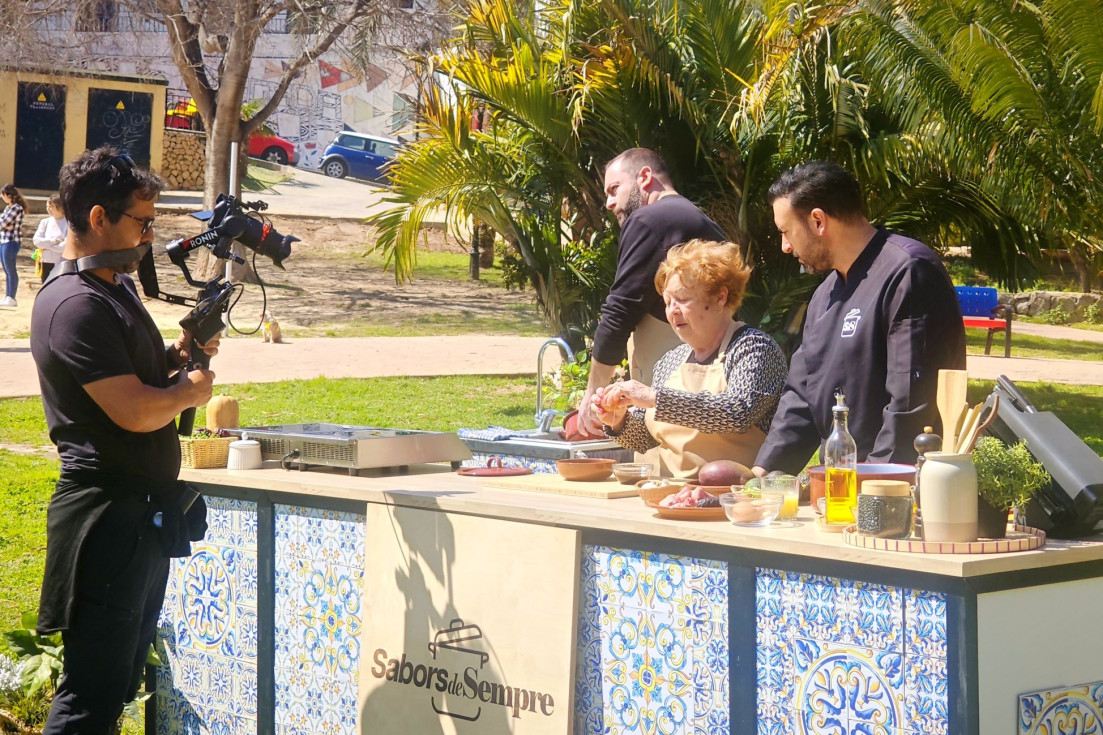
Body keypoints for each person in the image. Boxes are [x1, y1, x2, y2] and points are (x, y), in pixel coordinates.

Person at [30, 148, 219, 734]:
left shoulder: (112, 289)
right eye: (141, 221)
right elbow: (136, 412)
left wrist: (175, 359)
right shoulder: (75, 305)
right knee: (92, 691)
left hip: (137, 516)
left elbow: (135, 381)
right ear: (96, 218)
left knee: (117, 679)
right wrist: (188, 393)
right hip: (105, 519)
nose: (147, 235)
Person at [752, 161, 967, 476]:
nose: (785, 247)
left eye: (786, 232)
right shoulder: (825, 294)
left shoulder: (908, 271)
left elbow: (909, 404)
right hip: (840, 489)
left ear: (817, 221)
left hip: (892, 489)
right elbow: (801, 395)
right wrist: (763, 476)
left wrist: (873, 487)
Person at [591, 239, 788, 478]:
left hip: (737, 499)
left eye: (682, 300)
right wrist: (618, 420)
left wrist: (655, 398)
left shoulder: (754, 348)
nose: (672, 310)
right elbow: (645, 437)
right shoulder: (671, 360)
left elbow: (738, 413)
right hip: (672, 497)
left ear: (720, 297)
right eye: (667, 302)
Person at [576, 149, 727, 437]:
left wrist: (593, 394)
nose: (609, 203)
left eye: (614, 189)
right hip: (706, 396)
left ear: (644, 177)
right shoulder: (702, 221)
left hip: (670, 393)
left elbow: (620, 310)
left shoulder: (649, 219)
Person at [0, 183, 26, 307]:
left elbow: (3, 224)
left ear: (7, 195)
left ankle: (11, 297)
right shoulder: (8, 208)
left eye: (3, 194)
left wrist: (5, 226)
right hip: (4, 240)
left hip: (11, 241)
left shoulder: (17, 208)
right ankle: (7, 296)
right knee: (6, 270)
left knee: (11, 270)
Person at [33, 195, 69, 283]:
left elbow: (63, 247)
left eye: (51, 207)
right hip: (45, 261)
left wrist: (46, 246)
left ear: (60, 207)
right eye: (47, 207)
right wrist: (54, 241)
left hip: (60, 262)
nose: (48, 209)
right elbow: (37, 241)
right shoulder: (45, 222)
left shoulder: (68, 223)